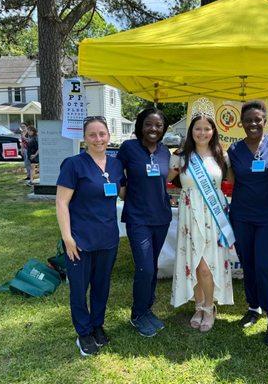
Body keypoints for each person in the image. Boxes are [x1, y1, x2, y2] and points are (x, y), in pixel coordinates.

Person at [56, 116, 126, 357]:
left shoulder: (116, 165)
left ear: (109, 136)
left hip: (107, 237)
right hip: (80, 239)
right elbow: (61, 203)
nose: (98, 139)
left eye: (102, 134)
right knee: (79, 288)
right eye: (92, 135)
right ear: (84, 138)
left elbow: (124, 192)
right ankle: (83, 332)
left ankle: (97, 325)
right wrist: (67, 238)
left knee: (101, 286)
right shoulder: (73, 165)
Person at [227, 100, 268, 345]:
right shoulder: (234, 150)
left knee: (264, 266)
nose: (253, 124)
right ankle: (254, 308)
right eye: (248, 120)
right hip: (241, 216)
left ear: (265, 121)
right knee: (248, 265)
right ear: (241, 124)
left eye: (258, 119)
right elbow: (230, 179)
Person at [168, 114, 234, 332]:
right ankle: (198, 306)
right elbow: (166, 179)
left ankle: (209, 306)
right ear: (191, 131)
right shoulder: (181, 156)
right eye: (198, 128)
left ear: (213, 131)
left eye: (207, 129)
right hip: (189, 215)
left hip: (213, 216)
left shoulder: (221, 156)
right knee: (194, 264)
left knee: (206, 266)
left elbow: (233, 181)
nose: (202, 133)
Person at [116, 107, 172, 337]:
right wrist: (125, 193)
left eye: (158, 125)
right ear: (140, 125)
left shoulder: (165, 151)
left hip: (161, 217)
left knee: (153, 266)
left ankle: (147, 309)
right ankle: (137, 314)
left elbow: (164, 179)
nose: (153, 129)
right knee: (144, 267)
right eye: (149, 124)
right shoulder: (129, 148)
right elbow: (117, 175)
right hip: (138, 217)